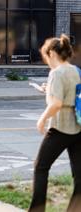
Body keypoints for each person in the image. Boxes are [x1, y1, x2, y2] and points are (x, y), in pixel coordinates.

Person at [29, 35, 81, 212]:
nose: (46, 60)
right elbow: (71, 93)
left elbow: (57, 104)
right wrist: (48, 90)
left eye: (45, 55)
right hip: (78, 126)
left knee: (40, 167)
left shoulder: (56, 73)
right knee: (79, 175)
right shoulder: (76, 70)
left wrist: (42, 118)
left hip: (60, 126)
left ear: (51, 53)